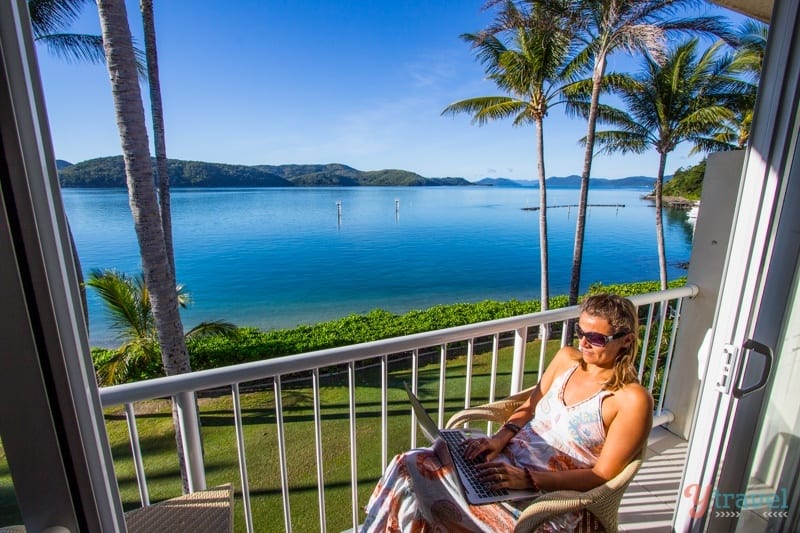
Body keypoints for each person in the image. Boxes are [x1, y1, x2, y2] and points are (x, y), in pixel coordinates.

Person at [361, 294, 653, 532]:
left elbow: (602, 475)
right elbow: (529, 407)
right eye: (580, 332)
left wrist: (527, 479)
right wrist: (499, 439)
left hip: (546, 497)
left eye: (597, 339)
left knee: (433, 488)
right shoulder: (567, 359)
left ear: (626, 340)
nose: (584, 343)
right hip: (502, 464)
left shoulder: (631, 399)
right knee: (411, 462)